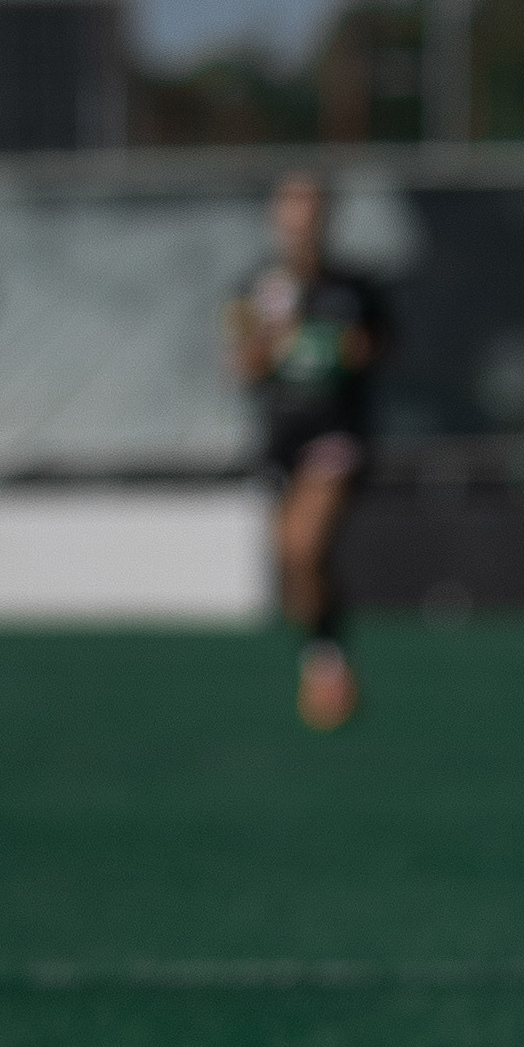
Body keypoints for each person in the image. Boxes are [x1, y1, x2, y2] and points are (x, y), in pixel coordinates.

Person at [226, 170, 389, 731]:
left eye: (312, 209)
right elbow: (242, 366)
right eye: (292, 208)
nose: (302, 221)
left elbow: (375, 353)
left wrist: (327, 332)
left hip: (335, 434)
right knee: (294, 567)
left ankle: (327, 669)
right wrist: (274, 328)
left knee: (302, 547)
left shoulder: (353, 289)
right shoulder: (254, 286)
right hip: (279, 439)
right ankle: (325, 656)